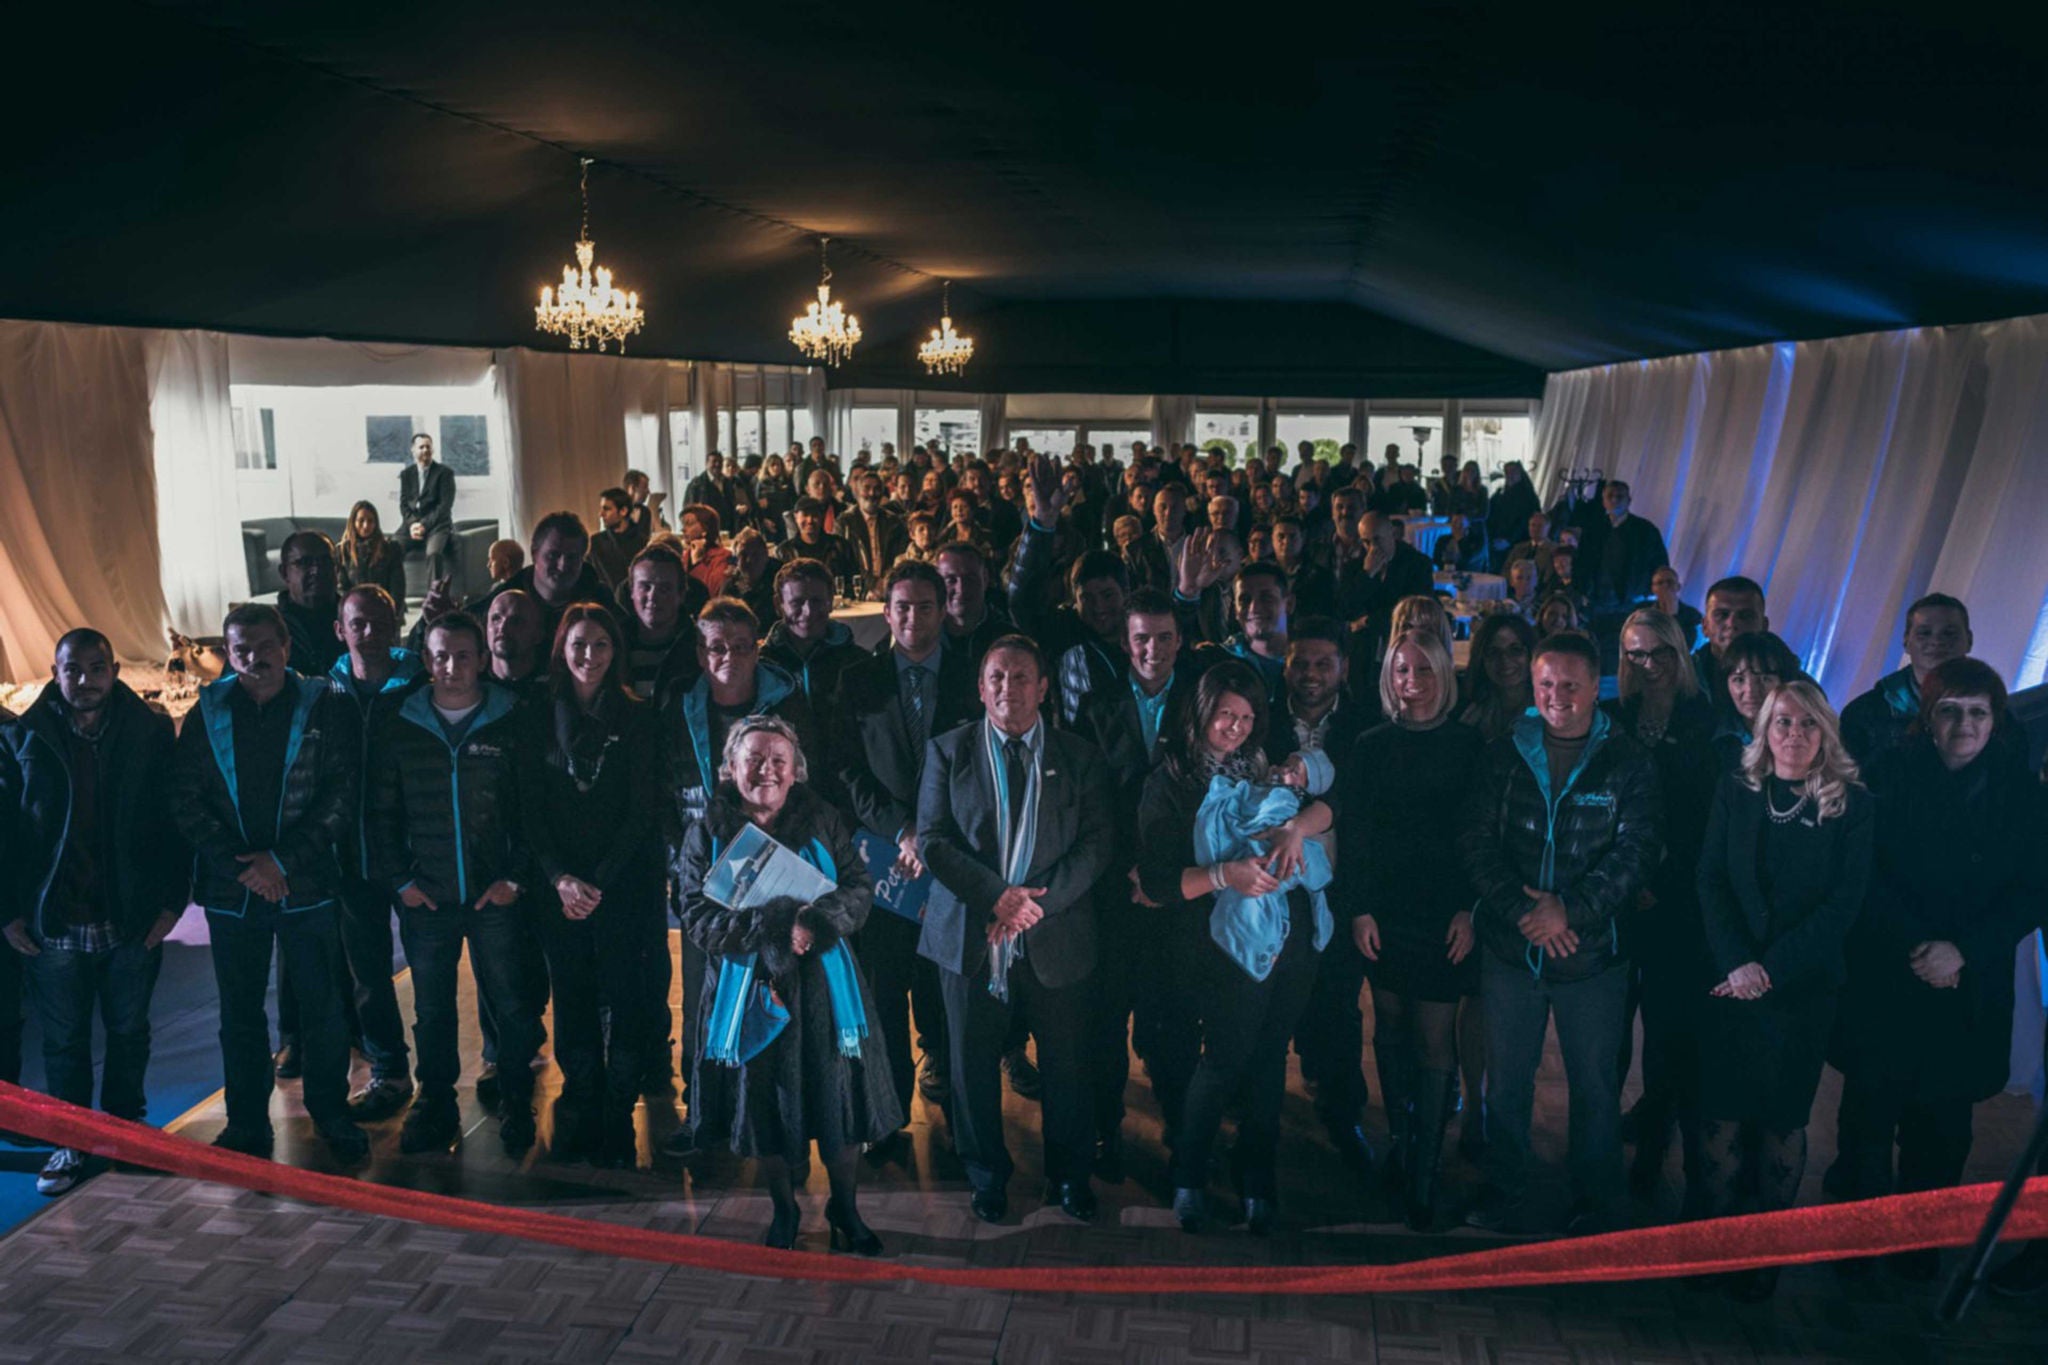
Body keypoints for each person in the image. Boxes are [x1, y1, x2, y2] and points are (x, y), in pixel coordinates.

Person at [1831, 658, 2047, 1279]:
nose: (1964, 723)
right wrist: (1921, 947)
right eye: (1950, 710)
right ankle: (1853, 1244)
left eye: (1978, 711)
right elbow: (1862, 873)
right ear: (1928, 717)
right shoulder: (1884, 777)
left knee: (1944, 1128)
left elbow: (2032, 892)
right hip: (1888, 973)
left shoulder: (2025, 796)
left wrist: (1962, 951)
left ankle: (1917, 1250)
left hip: (1969, 983)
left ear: (1996, 720)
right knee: (1867, 1120)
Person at [1459, 631, 1662, 1235]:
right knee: (1506, 1085)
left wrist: (1569, 912)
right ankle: (1505, 1189)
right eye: (1546, 684)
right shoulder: (1501, 753)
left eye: (1570, 684)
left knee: (1595, 1089)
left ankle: (1598, 1203)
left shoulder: (1628, 761)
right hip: (1511, 948)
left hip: (1593, 956)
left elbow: (1636, 853)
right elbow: (1475, 840)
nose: (1557, 696)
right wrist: (1526, 914)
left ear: (1596, 687)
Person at [676, 717, 902, 1253]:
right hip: (747, 990)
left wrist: (817, 922)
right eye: (753, 759)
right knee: (765, 1107)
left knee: (840, 1103)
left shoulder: (823, 817)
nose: (767, 771)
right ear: (730, 768)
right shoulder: (707, 832)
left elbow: (859, 889)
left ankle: (845, 1208)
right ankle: (785, 1209)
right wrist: (776, 927)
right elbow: (695, 915)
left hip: (826, 990)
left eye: (778, 760)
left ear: (796, 770)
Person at [918, 637, 1112, 1225]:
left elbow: (1097, 843)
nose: (1009, 688)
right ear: (981, 689)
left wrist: (1031, 908)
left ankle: (1069, 1174)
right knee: (970, 1066)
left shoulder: (1079, 756)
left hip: (1055, 934)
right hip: (970, 934)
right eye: (997, 677)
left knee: (1066, 1064)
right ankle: (986, 1176)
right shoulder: (948, 751)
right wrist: (996, 897)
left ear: (1044, 688)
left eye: (1022, 676)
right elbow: (933, 841)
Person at [1137, 659, 1335, 1234]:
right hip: (1218, 944)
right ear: (1201, 711)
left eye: (1247, 718)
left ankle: (1257, 1180)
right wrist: (1227, 875)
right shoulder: (1171, 781)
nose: (1236, 728)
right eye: (1226, 714)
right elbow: (1155, 883)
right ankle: (1189, 1176)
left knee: (1271, 1057)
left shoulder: (1268, 769)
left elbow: (1331, 807)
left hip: (1292, 936)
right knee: (1223, 1059)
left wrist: (1296, 830)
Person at [168, 603, 368, 1164]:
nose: (254, 658)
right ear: (227, 655)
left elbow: (341, 796)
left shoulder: (324, 704)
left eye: (264, 646)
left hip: (307, 881)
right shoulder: (208, 711)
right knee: (239, 1013)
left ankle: (331, 1113)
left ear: (286, 647)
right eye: (241, 650)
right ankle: (247, 1123)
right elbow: (184, 799)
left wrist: (281, 862)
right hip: (233, 890)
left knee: (323, 1007)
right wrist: (247, 869)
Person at [1693, 681, 1873, 1300]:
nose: (1794, 734)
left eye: (1807, 723)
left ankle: (1762, 1259)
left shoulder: (1852, 805)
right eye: (1782, 723)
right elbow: (1710, 878)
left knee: (1780, 1122)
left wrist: (1767, 970)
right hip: (1730, 984)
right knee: (1720, 1115)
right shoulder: (1736, 790)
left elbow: (1842, 906)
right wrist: (1738, 963)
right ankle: (1713, 1248)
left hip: (1803, 991)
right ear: (1764, 731)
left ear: (1826, 732)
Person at [0, 629, 185, 1197]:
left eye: (96, 667)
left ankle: (127, 1132)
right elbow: (6, 831)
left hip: (131, 915)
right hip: (55, 918)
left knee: (129, 1031)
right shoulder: (24, 735)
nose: (84, 680)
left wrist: (172, 901)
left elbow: (173, 822)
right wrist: (8, 911)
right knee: (64, 1040)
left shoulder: (150, 732)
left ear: (114, 670)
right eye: (72, 669)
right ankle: (71, 1142)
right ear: (55, 673)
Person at [367, 612, 541, 1157]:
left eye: (463, 655)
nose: (451, 666)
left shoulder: (512, 719)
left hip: (496, 896)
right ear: (426, 660)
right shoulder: (400, 722)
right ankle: (435, 1101)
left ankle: (516, 1096)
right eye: (441, 656)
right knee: (433, 1009)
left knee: (512, 1004)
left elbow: (534, 812)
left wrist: (515, 878)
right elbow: (380, 812)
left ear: (483, 659)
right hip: (428, 898)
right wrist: (401, 880)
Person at [828, 561, 979, 1145]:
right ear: (886, 614)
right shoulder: (857, 680)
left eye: (925, 606)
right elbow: (846, 769)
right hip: (885, 860)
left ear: (944, 610)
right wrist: (901, 830)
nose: (913, 617)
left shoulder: (973, 674)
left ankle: (961, 1119)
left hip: (954, 860)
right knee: (883, 991)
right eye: (902, 607)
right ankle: (885, 1118)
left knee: (947, 992)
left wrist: (933, 835)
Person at [1343, 629, 1486, 1229]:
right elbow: (1355, 835)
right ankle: (1403, 1147)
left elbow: (1482, 835)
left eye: (1424, 670)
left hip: (1445, 916)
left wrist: (1470, 909)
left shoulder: (1470, 745)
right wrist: (1359, 909)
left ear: (1444, 677)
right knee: (1390, 1028)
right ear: (1388, 676)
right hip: (1385, 912)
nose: (1412, 682)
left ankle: (1425, 1174)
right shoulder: (1370, 745)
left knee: (1432, 1039)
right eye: (1402, 670)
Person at [517, 604, 669, 1166]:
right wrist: (560, 878)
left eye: (601, 644)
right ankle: (581, 1101)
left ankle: (618, 1110)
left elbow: (643, 810)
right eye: (579, 643)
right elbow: (529, 808)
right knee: (573, 997)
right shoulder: (536, 714)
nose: (589, 655)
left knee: (627, 997)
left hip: (621, 884)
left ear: (616, 651)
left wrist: (597, 883)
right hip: (557, 887)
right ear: (561, 648)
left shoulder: (638, 716)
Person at [1604, 608, 1719, 1200]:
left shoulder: (1706, 720)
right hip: (1615, 899)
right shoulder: (1612, 717)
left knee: (1668, 1038)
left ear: (1680, 652)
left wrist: (1660, 880)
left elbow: (1707, 820)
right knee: (1608, 1035)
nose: (1648, 664)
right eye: (1636, 653)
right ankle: (1599, 1145)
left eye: (1659, 652)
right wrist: (1625, 878)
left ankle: (1653, 1148)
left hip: (1678, 903)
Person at [322, 585, 422, 1122]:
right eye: (358, 623)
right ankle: (389, 1071)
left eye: (380, 621)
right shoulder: (326, 694)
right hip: (351, 862)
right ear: (340, 630)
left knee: (432, 974)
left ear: (397, 622)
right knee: (368, 978)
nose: (369, 632)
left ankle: (455, 1074)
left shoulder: (422, 685)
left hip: (415, 860)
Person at [1839, 593, 1974, 768]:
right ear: (1905, 641)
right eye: (1924, 633)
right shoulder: (1865, 713)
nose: (1936, 641)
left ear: (1969, 640)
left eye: (1949, 633)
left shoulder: (1996, 710)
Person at [762, 558, 860, 704]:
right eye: (796, 602)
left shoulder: (855, 661)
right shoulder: (765, 664)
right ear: (778, 605)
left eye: (817, 601)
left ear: (830, 601)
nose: (808, 612)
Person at [619, 543, 707, 703]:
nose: (653, 596)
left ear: (681, 594)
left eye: (664, 589)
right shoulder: (611, 645)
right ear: (632, 591)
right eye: (645, 587)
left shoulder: (701, 648)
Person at [1710, 631, 1802, 771]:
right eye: (1739, 680)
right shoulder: (1711, 738)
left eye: (1765, 679)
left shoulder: (1806, 736)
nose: (1751, 691)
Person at [1691, 577, 1769, 717]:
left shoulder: (1791, 682)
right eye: (1722, 615)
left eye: (1745, 616)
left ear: (1764, 626)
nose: (1732, 624)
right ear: (1705, 626)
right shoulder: (1680, 675)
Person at [274, 530, 345, 675]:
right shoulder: (268, 627)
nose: (317, 570)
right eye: (304, 563)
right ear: (284, 573)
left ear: (336, 569)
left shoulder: (357, 621)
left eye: (326, 562)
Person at [1460, 612, 1536, 744]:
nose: (1504, 660)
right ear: (1481, 659)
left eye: (1515, 650)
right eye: (1493, 652)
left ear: (1531, 654)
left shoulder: (1550, 711)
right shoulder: (1467, 711)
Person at [399, 432, 457, 589]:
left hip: (438, 525)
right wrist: (413, 524)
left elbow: (444, 506)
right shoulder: (406, 474)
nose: (425, 450)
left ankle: (434, 597)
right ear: (413, 450)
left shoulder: (445, 473)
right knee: (391, 549)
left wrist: (423, 525)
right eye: (421, 447)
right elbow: (404, 505)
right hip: (411, 526)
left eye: (428, 447)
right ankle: (395, 598)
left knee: (434, 554)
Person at [337, 501, 411, 620]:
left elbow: (397, 588)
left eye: (370, 521)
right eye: (361, 520)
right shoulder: (342, 551)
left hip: (384, 610)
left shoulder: (390, 548)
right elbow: (341, 588)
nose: (366, 525)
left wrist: (391, 614)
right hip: (354, 612)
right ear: (353, 522)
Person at [841, 470, 907, 596]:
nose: (872, 493)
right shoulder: (844, 522)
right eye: (867, 488)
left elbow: (901, 556)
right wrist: (872, 584)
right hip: (857, 591)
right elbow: (845, 561)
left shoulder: (894, 522)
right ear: (857, 492)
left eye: (877, 489)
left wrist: (887, 582)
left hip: (890, 589)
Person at [777, 497, 855, 585]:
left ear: (822, 517)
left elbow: (853, 579)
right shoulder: (785, 551)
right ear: (796, 517)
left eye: (814, 515)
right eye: (805, 515)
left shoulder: (840, 546)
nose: (810, 520)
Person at [677, 503, 736, 599]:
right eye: (683, 524)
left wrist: (697, 563)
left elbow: (713, 592)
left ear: (705, 528)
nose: (683, 529)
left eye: (689, 524)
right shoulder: (685, 555)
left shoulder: (723, 556)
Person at [587, 487, 638, 592]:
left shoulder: (642, 542)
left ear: (623, 511)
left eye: (606, 509)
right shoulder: (595, 543)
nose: (601, 514)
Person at [1650, 566, 1703, 650]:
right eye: (1660, 583)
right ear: (1653, 589)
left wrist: (1673, 616)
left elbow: (1687, 646)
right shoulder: (1644, 613)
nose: (1665, 586)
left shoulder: (1693, 616)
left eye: (1670, 582)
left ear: (1678, 586)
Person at [684, 450, 738, 531]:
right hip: (706, 529)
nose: (717, 464)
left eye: (720, 462)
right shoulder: (697, 485)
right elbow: (689, 509)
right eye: (714, 461)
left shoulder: (727, 482)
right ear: (706, 463)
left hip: (727, 529)